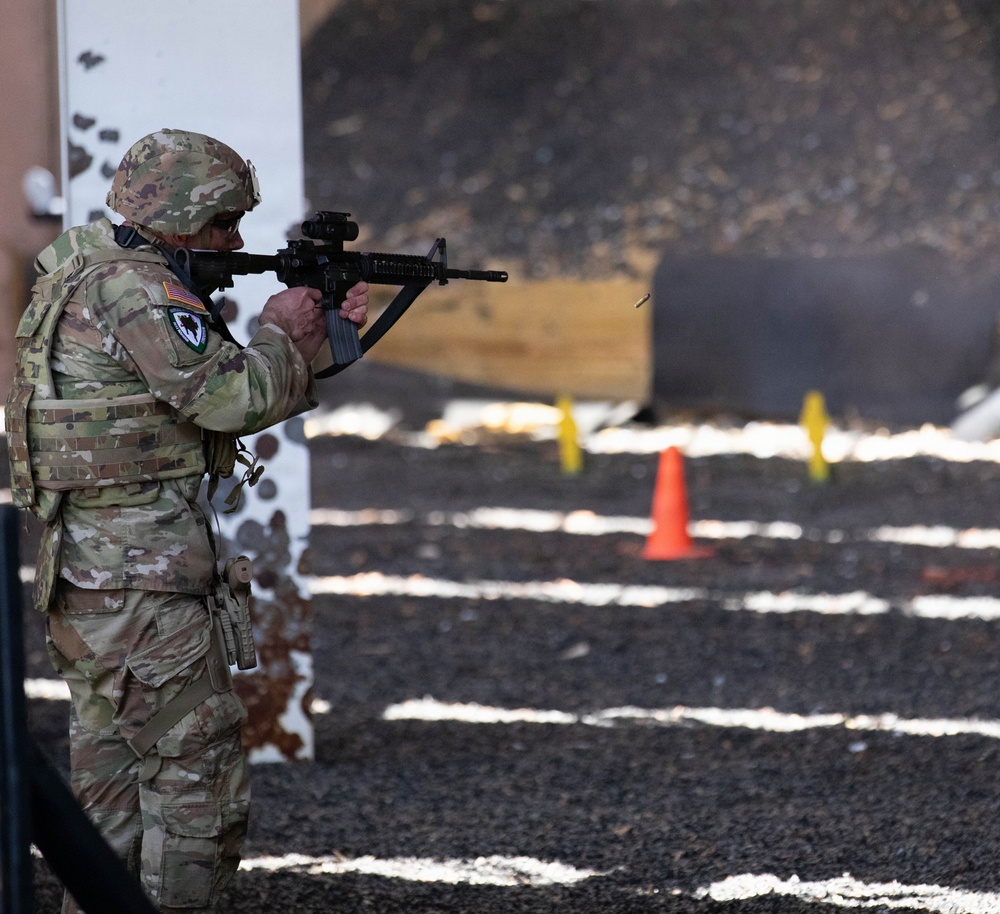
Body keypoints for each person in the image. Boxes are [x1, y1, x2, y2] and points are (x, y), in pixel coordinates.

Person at [5, 128, 369, 913]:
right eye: (222, 223)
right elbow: (230, 398)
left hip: (96, 577)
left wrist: (317, 344)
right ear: (178, 217)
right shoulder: (138, 290)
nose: (236, 240)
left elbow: (195, 396)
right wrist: (281, 330)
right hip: (141, 585)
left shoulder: (88, 267)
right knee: (195, 786)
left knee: (113, 794)